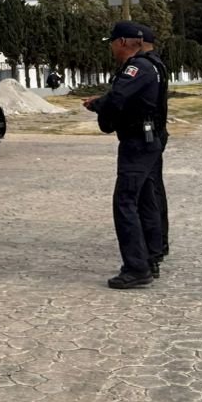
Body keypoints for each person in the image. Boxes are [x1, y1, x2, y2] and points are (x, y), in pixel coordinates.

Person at [84, 21, 164, 289]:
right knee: (144, 200)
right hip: (148, 140)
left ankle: (136, 268)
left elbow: (117, 99)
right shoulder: (151, 65)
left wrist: (97, 105)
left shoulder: (136, 67)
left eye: (112, 42)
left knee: (125, 203)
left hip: (137, 143)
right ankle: (151, 257)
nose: (111, 47)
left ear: (120, 43)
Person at [136, 23, 170, 269]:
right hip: (156, 133)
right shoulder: (158, 64)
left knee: (147, 195)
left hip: (147, 136)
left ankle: (153, 251)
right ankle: (159, 246)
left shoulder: (145, 66)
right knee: (154, 191)